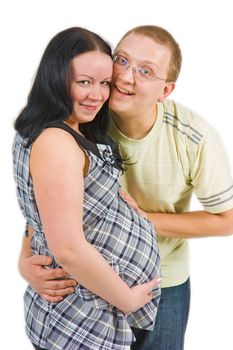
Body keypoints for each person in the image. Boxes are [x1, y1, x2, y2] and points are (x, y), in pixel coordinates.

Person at [18, 25, 233, 350]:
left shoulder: (194, 138)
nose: (125, 77)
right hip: (85, 284)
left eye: (146, 71)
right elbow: (49, 196)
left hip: (160, 284)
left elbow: (227, 219)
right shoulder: (85, 116)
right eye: (122, 60)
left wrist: (145, 219)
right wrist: (25, 259)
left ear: (166, 90)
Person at [12, 27, 161, 350]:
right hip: (81, 317)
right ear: (55, 77)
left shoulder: (71, 128)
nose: (97, 94)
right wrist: (128, 299)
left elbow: (42, 210)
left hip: (95, 309)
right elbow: (68, 249)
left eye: (104, 83)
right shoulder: (55, 141)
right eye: (84, 82)